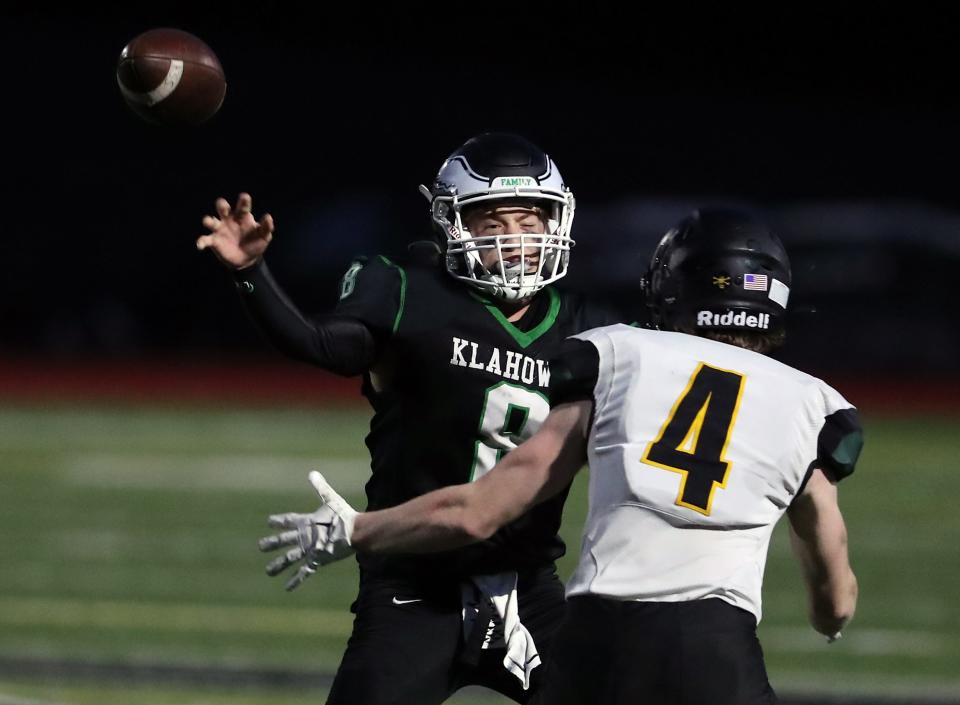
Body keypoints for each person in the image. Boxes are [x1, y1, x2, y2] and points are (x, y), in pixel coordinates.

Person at [261, 207, 862, 705]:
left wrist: (359, 528)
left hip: (597, 638)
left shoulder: (616, 353)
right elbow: (834, 588)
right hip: (716, 646)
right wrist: (830, 619)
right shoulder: (814, 405)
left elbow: (481, 509)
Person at [198, 132, 629, 704]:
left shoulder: (589, 323)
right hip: (413, 587)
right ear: (453, 227)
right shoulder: (406, 290)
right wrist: (251, 273)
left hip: (529, 588)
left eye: (529, 220)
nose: (515, 238)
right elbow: (324, 345)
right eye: (490, 223)